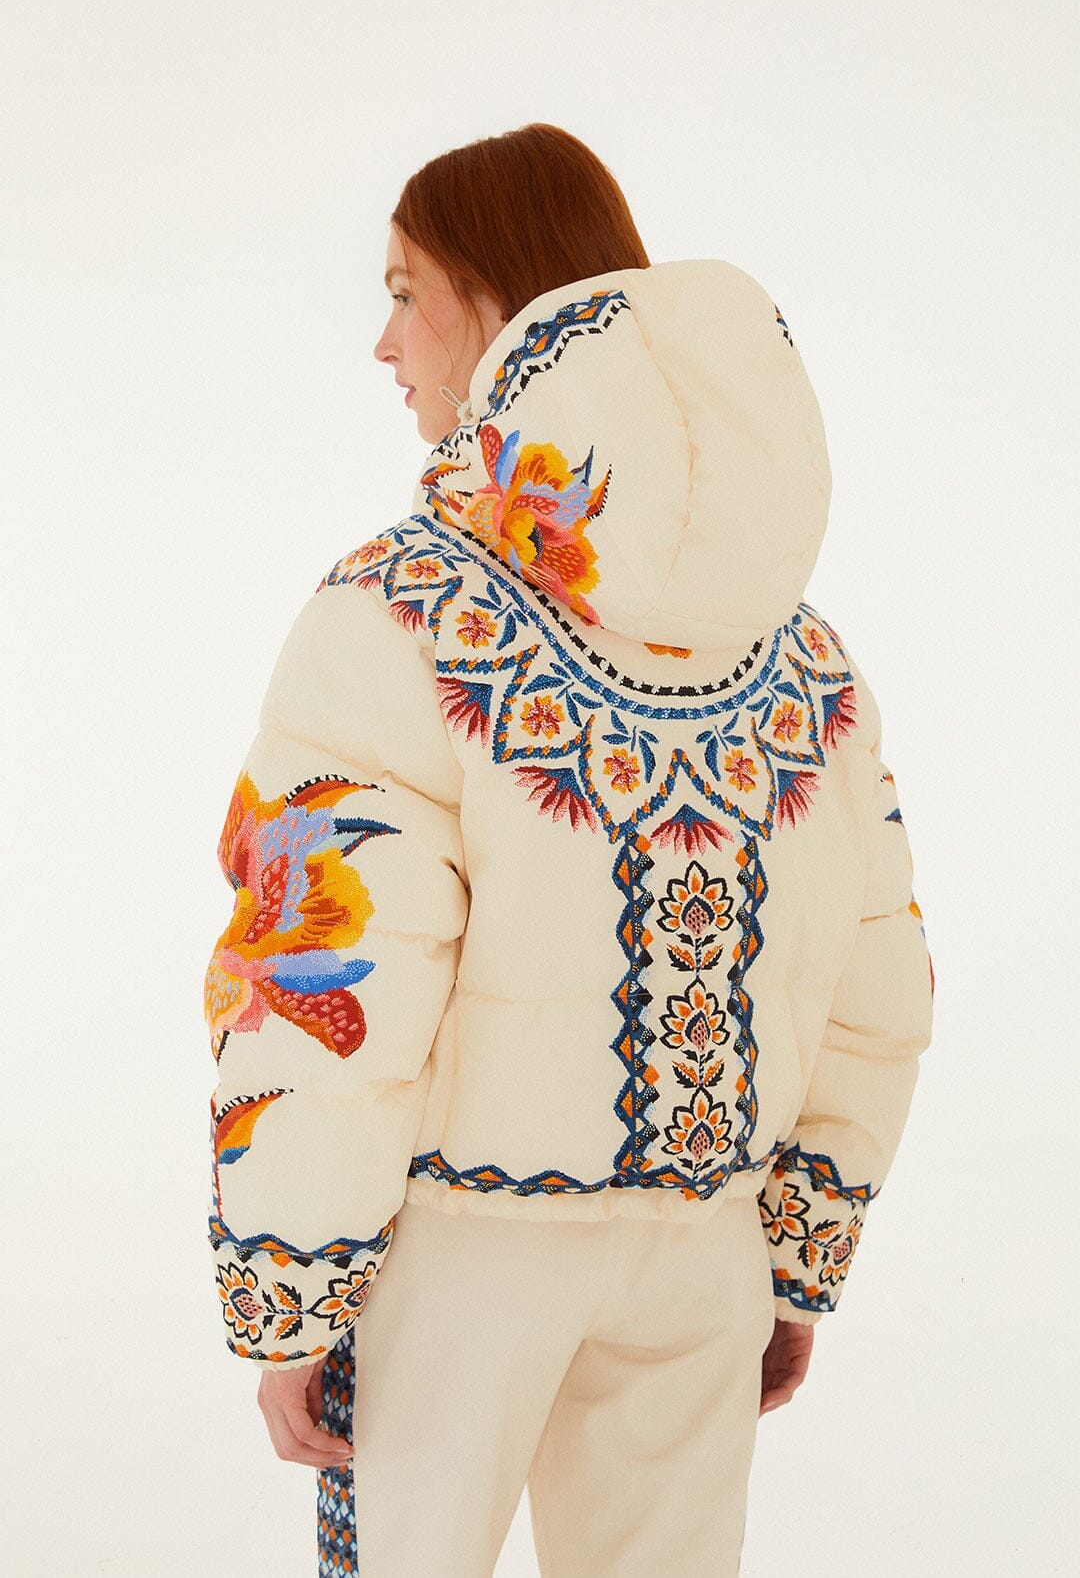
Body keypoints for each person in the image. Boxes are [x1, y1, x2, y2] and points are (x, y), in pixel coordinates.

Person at [203, 122, 935, 1575]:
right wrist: (796, 1257)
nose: (383, 344)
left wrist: (297, 1287)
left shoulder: (402, 613)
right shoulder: (805, 659)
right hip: (707, 1256)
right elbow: (880, 981)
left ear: (495, 298)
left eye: (405, 293)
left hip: (460, 1259)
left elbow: (332, 968)